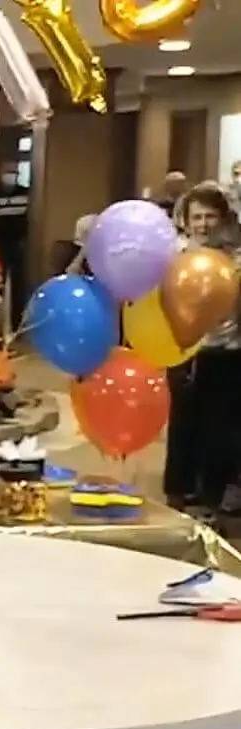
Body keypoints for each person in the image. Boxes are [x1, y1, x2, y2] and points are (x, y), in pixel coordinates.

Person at [165, 183, 241, 516]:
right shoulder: (176, 254)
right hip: (184, 349)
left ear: (223, 219)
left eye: (211, 216)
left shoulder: (235, 255)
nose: (203, 223)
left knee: (220, 427)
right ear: (186, 219)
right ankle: (179, 489)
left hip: (228, 350)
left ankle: (212, 493)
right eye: (197, 216)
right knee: (183, 421)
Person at [0, 162, 30, 323]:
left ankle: (17, 323)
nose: (10, 176)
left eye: (13, 172)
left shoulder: (26, 193)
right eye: (7, 172)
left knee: (18, 285)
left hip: (18, 243)